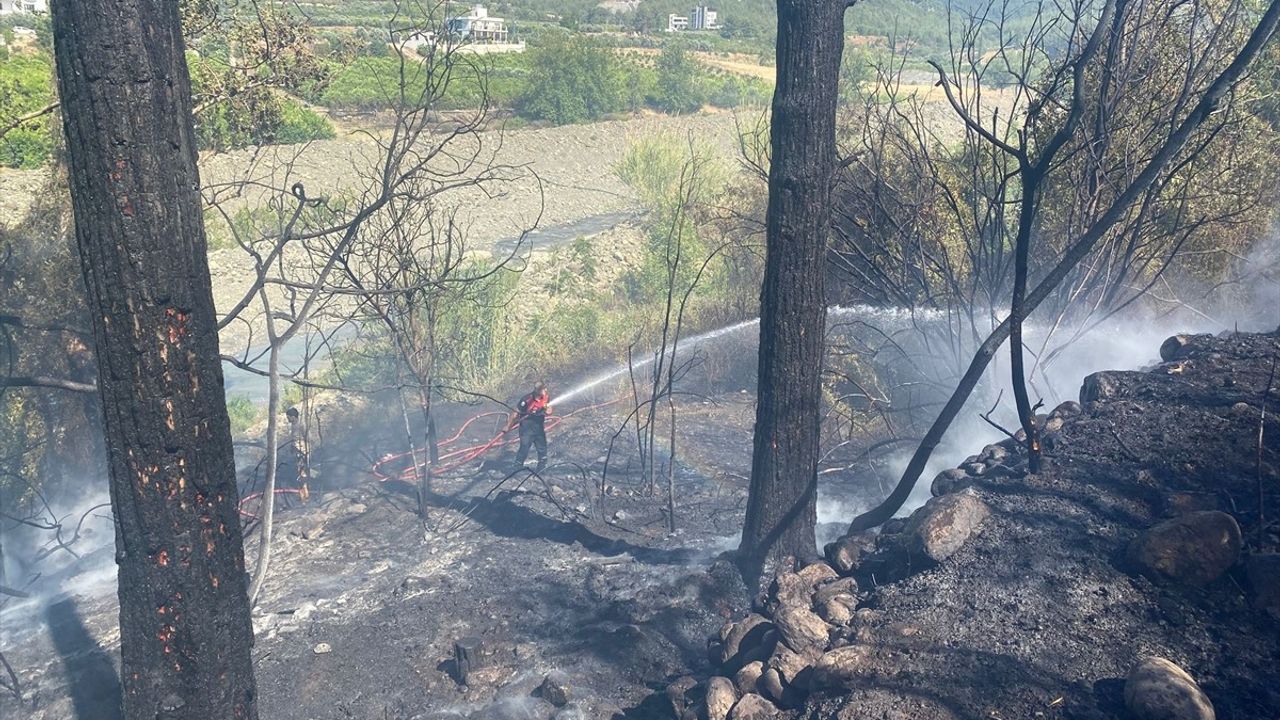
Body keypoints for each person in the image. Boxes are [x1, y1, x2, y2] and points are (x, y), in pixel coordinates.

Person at [511, 381, 551, 472]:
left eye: (545, 388)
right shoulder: (526, 400)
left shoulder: (546, 397)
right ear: (537, 390)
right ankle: (517, 468)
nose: (545, 390)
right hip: (526, 429)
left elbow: (549, 408)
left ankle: (541, 469)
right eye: (543, 389)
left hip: (539, 428)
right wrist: (508, 426)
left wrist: (548, 410)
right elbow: (515, 413)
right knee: (524, 448)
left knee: (542, 448)